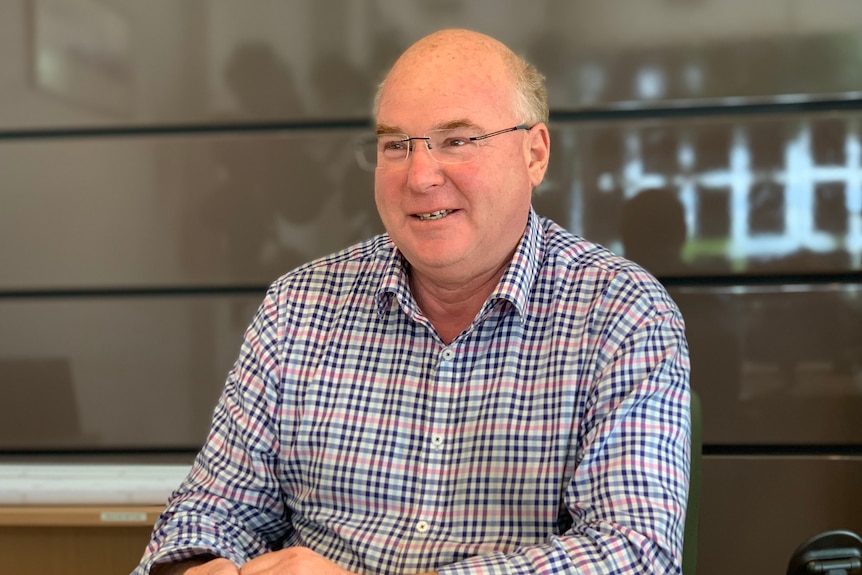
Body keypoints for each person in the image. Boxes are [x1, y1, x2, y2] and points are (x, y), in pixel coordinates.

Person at [135, 28, 691, 575]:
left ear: (534, 154)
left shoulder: (622, 313)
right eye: (396, 145)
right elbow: (208, 513)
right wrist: (197, 567)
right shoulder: (297, 308)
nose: (420, 176)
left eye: (457, 141)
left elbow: (633, 553)